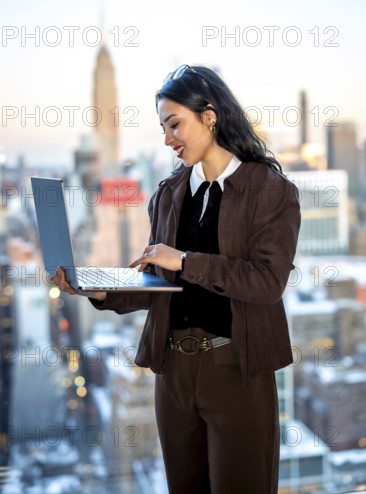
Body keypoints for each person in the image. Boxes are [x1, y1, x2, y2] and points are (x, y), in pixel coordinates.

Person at [52, 64, 301, 494]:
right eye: (163, 128)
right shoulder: (168, 194)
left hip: (235, 369)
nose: (168, 140)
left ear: (209, 116)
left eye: (174, 124)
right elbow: (157, 285)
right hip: (172, 373)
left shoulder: (270, 189)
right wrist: (99, 290)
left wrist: (184, 260)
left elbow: (267, 282)